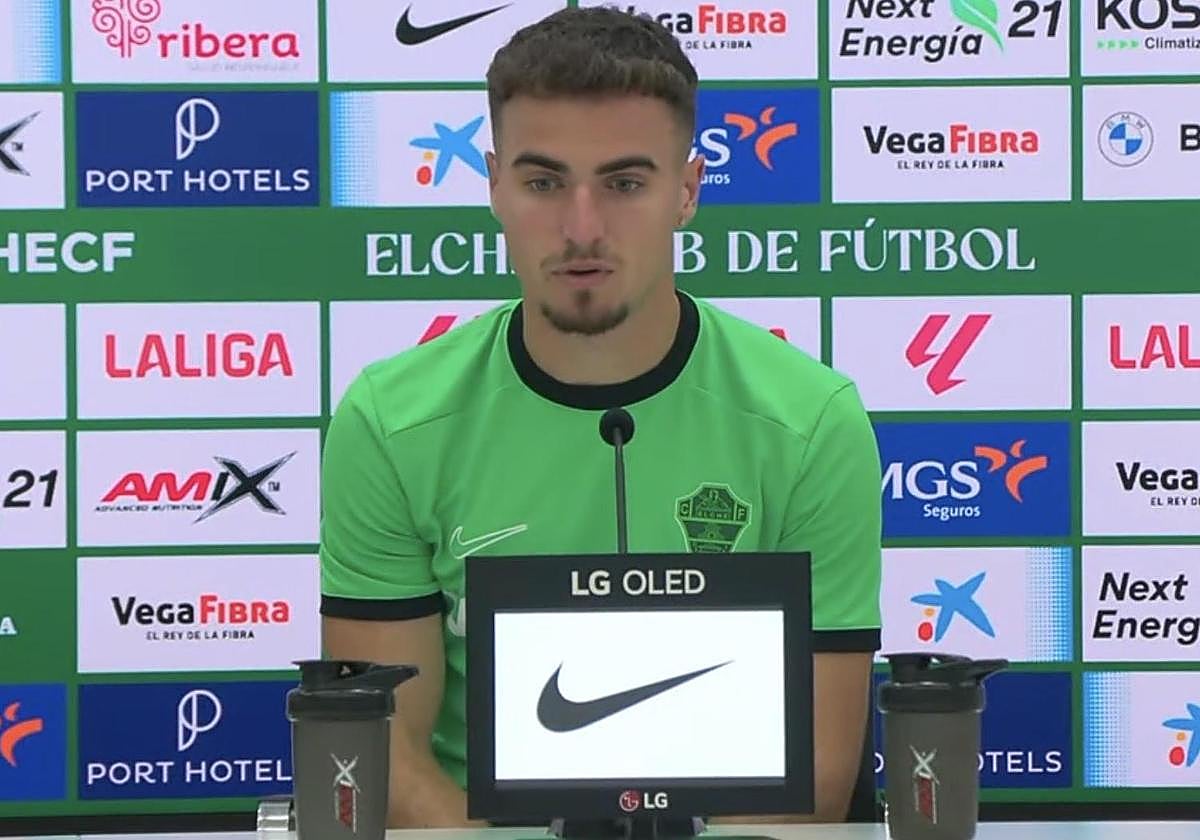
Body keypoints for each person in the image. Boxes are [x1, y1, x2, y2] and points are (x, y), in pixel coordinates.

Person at [318, 5, 882, 830]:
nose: (581, 228)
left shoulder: (811, 422)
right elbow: (388, 759)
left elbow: (815, 782)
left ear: (686, 192)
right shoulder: (389, 421)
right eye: (544, 182)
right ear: (494, 186)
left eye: (624, 183)